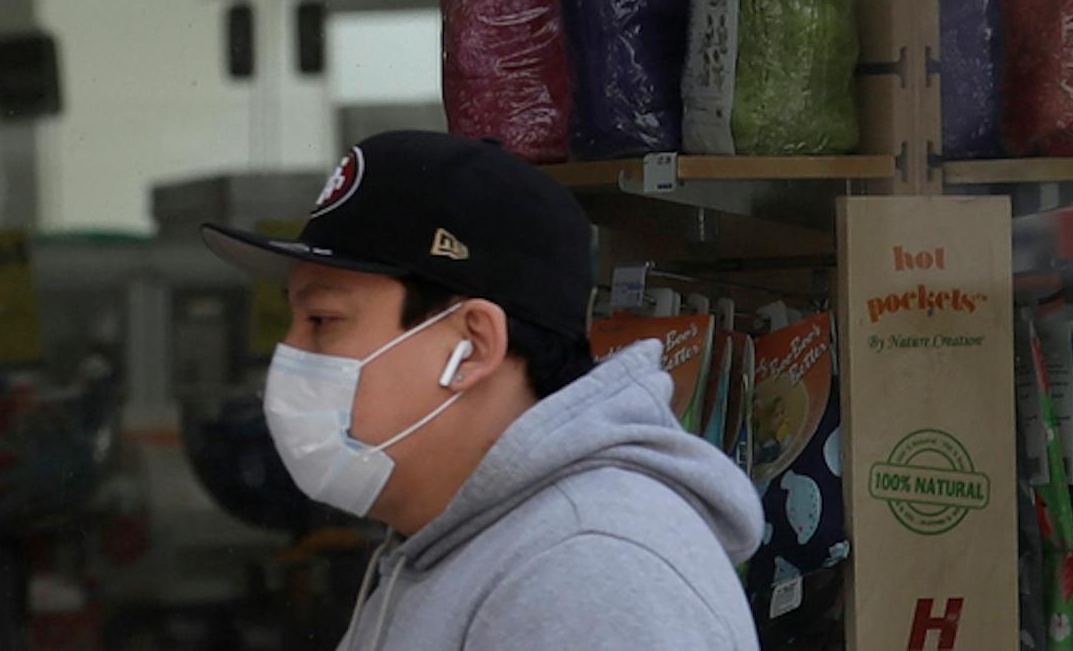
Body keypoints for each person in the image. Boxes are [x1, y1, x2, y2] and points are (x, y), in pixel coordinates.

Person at [203, 130, 761, 650]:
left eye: (323, 320)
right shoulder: (458, 546)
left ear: (472, 345)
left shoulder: (589, 574)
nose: (290, 355)